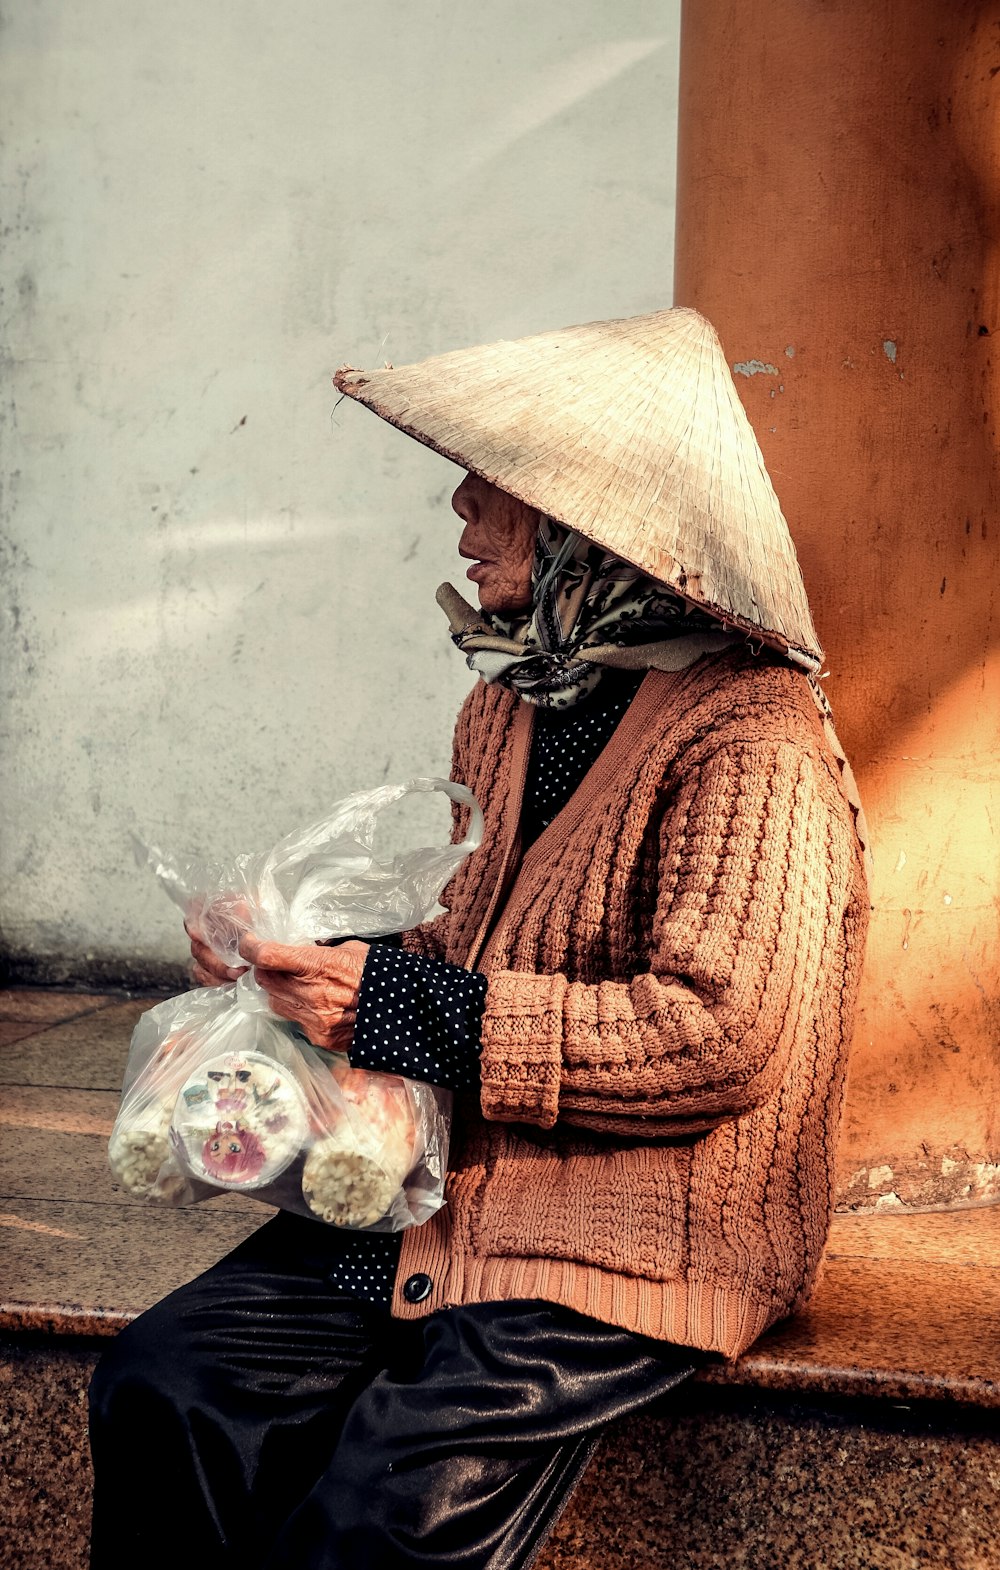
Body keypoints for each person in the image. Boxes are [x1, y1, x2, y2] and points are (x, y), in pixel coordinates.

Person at [89, 307, 870, 1569]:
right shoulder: (510, 704)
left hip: (627, 1227)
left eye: (495, 485)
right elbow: (471, 936)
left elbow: (719, 1035)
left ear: (588, 524)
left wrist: (395, 1009)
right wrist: (298, 957)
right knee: (163, 1383)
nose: (460, 508)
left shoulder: (751, 738)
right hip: (445, 1195)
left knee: (384, 1518)